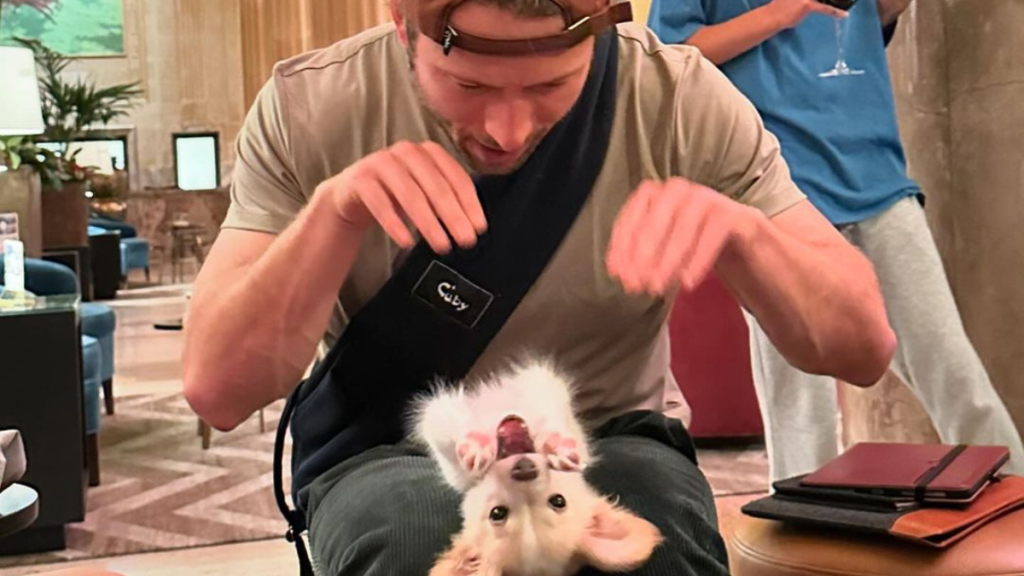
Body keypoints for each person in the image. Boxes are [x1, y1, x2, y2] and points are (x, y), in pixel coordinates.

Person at [182, 0, 896, 574]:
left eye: (552, 84)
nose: (508, 128)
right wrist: (334, 217)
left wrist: (745, 233)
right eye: (469, 86)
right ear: (400, 23)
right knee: (415, 540)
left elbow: (862, 349)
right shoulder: (312, 104)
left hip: (608, 435)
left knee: (653, 542)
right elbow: (219, 390)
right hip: (390, 447)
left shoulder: (676, 98)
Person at [647, 0, 1024, 484]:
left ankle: (1013, 501)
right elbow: (674, 55)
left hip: (877, 174)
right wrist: (785, 11)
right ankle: (803, 537)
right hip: (776, 186)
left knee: (951, 367)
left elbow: (873, 24)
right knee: (801, 405)